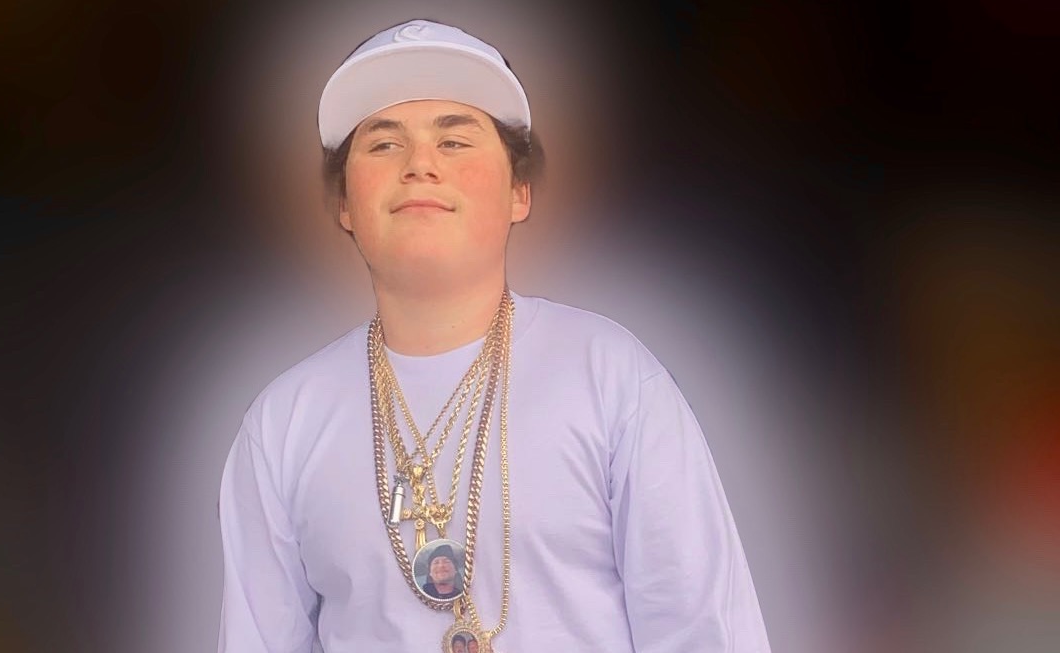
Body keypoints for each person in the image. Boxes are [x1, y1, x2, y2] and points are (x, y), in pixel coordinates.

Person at [218, 18, 771, 653]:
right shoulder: (284, 423)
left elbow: (703, 631)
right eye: (384, 144)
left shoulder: (611, 376)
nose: (420, 164)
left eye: (454, 141)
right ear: (344, 203)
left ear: (519, 192)